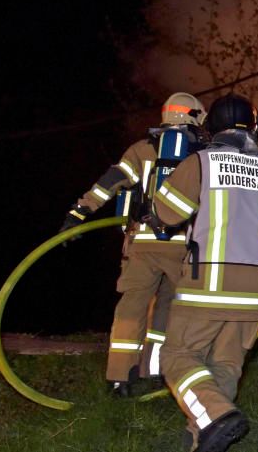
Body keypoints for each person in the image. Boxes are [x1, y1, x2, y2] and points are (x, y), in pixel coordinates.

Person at [151, 94, 258, 452]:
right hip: (256, 291)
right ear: (255, 127)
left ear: (210, 128)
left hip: (208, 286)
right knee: (225, 366)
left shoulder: (201, 162)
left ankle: (216, 417)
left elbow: (165, 215)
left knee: (178, 357)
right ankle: (202, 440)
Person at [60, 92, 206, 395]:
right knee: (170, 309)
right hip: (183, 246)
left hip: (142, 244)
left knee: (131, 309)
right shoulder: (201, 155)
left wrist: (78, 214)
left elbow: (110, 183)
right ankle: (155, 371)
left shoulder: (142, 150)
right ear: (196, 116)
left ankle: (119, 379)